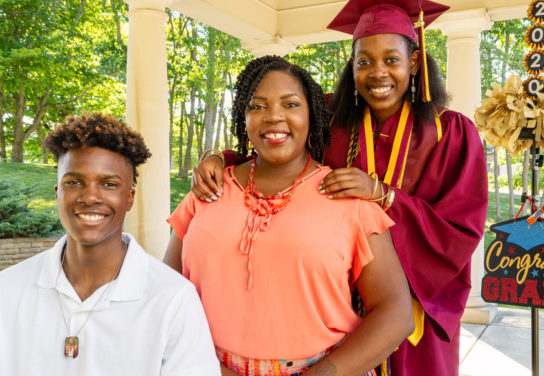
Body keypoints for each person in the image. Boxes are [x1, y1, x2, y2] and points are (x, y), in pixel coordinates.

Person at [190, 0, 488, 375]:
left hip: (412, 303)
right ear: (352, 65)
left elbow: (460, 229)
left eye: (391, 60)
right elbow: (274, 143)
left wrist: (383, 195)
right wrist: (218, 157)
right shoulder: (328, 117)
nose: (377, 73)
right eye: (364, 62)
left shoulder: (449, 132)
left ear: (413, 63)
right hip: (332, 299)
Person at [164, 56, 414, 376]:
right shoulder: (205, 193)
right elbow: (166, 294)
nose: (274, 116)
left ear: (312, 116)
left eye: (291, 104)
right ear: (244, 117)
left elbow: (396, 314)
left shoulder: (350, 202)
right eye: (257, 106)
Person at [0, 113, 220, 375]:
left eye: (109, 184)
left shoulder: (173, 298)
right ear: (58, 193)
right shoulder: (6, 289)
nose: (90, 196)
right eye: (74, 182)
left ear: (129, 198)